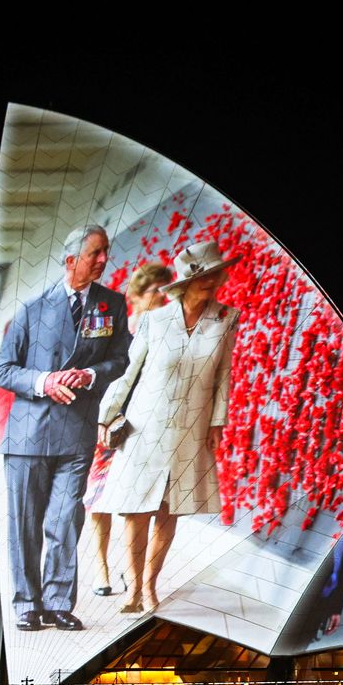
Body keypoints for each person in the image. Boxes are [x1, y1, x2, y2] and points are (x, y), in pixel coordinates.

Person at [0, 224, 131, 631]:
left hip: (76, 432)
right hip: (27, 435)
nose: (104, 260)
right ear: (72, 260)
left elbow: (119, 360)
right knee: (25, 522)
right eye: (96, 253)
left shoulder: (113, 305)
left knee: (64, 520)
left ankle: (57, 602)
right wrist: (44, 382)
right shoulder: (32, 309)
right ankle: (26, 603)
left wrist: (89, 374)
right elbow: (3, 369)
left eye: (106, 251)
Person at [95, 241, 241, 614]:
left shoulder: (227, 318)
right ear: (185, 284)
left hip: (190, 428)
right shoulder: (155, 320)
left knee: (168, 509)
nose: (211, 283)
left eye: (214, 276)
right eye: (203, 277)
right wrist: (106, 414)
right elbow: (129, 373)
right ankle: (131, 591)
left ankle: (149, 585)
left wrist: (217, 422)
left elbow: (224, 375)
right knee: (135, 509)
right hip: (146, 425)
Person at [83, 261, 173, 596]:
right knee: (97, 499)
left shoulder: (165, 331)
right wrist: (99, 417)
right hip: (107, 422)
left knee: (132, 500)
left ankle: (127, 567)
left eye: (166, 290)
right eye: (156, 291)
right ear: (137, 294)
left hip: (141, 427)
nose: (163, 297)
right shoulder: (115, 331)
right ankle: (102, 569)